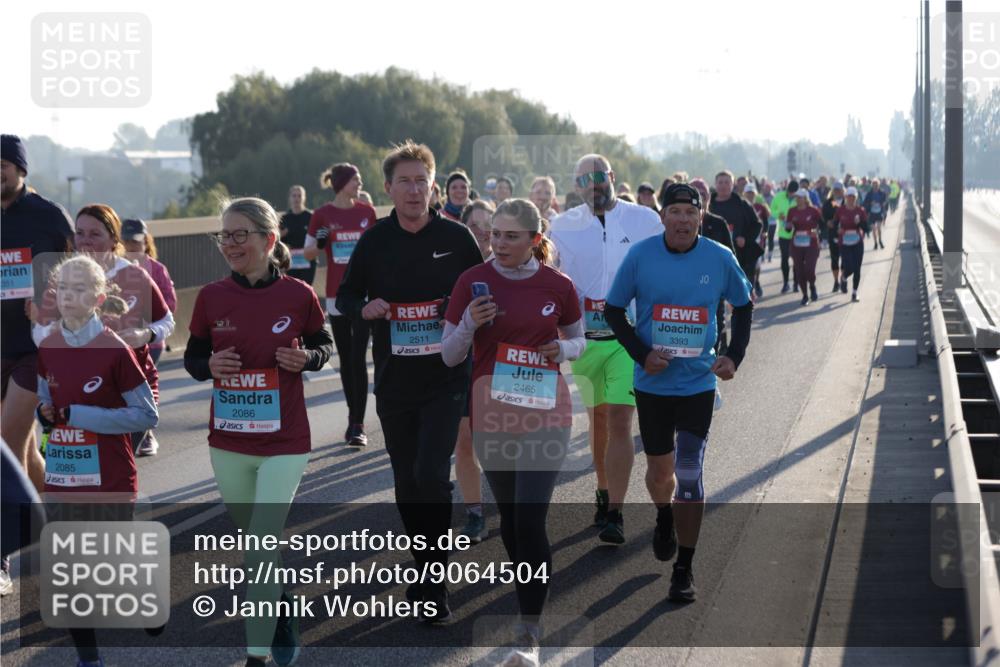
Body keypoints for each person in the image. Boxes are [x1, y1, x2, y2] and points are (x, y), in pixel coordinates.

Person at [336, 141, 483, 623]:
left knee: (430, 477)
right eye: (405, 181)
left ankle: (433, 581)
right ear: (389, 188)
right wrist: (365, 308)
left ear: (434, 185)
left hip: (446, 377)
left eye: (423, 181)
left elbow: (484, 292)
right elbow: (347, 293)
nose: (415, 190)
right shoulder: (376, 240)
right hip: (396, 379)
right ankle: (423, 567)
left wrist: (461, 312)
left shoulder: (459, 238)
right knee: (405, 481)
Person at [185, 197, 333, 667]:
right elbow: (192, 359)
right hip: (228, 443)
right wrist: (208, 365)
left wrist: (306, 359)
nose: (229, 244)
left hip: (285, 442)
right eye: (223, 235)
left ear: (269, 240)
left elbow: (324, 344)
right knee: (256, 544)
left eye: (239, 235)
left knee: (262, 544)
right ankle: (282, 602)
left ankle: (256, 655)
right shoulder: (211, 297)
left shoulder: (297, 295)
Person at [442, 198, 585, 666]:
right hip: (493, 414)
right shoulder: (471, 282)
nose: (498, 243)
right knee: (511, 524)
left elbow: (580, 341)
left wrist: (561, 350)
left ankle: (529, 634)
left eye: (510, 236)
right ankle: (527, 597)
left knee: (529, 520)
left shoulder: (558, 286)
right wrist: (470, 322)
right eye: (495, 234)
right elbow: (448, 354)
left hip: (546, 413)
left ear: (535, 241)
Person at [605, 182, 753, 603]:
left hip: (697, 382)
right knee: (659, 475)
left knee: (689, 471)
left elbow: (743, 306)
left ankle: (684, 568)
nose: (683, 220)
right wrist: (641, 352)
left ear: (700, 218)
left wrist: (734, 356)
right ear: (664, 217)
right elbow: (613, 310)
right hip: (652, 384)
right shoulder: (641, 255)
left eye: (691, 213)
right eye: (676, 212)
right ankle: (664, 515)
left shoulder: (719, 258)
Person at [35, 254, 158, 667]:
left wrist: (80, 414)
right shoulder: (48, 346)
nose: (69, 296)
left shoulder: (114, 348)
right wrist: (46, 413)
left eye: (80, 289)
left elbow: (146, 414)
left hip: (111, 476)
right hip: (64, 475)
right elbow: (46, 399)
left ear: (99, 297)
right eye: (64, 288)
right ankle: (90, 659)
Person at [550, 154, 662, 542]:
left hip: (626, 340)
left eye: (598, 176)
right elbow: (548, 273)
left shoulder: (645, 220)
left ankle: (615, 512)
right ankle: (602, 489)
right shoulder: (561, 226)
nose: (592, 184)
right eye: (583, 179)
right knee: (597, 420)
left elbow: (664, 264)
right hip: (583, 341)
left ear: (611, 176)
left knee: (619, 420)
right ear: (576, 186)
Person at [34, 204, 174, 461]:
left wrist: (145, 335)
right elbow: (39, 333)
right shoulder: (62, 278)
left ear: (113, 239)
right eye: (80, 233)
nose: (85, 240)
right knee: (84, 467)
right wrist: (55, 334)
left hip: (129, 389)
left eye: (95, 234)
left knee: (114, 462)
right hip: (76, 391)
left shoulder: (135, 275)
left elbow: (167, 321)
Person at [1, 134, 73, 499]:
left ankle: (4, 544)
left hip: (35, 345)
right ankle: (59, 513)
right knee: (24, 450)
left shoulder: (49, 215)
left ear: (21, 169)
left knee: (7, 443)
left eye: (3, 165)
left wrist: (53, 303)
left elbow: (83, 273)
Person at [304, 163, 377, 447]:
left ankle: (357, 424)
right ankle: (353, 417)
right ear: (342, 182)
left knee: (359, 358)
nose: (360, 183)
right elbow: (309, 253)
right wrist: (320, 243)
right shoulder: (322, 215)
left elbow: (377, 251)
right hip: (336, 294)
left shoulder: (366, 212)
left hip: (364, 295)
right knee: (347, 360)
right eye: (356, 179)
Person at [453, 199, 496, 542]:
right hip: (464, 363)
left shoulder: (512, 266)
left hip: (505, 367)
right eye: (474, 225)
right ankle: (474, 514)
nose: (481, 232)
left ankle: (518, 509)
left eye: (488, 224)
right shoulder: (452, 267)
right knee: (464, 440)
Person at [121, 218, 177, 455]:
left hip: (150, 342)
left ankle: (147, 433)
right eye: (126, 243)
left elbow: (170, 304)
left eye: (136, 242)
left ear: (145, 242)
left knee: (141, 386)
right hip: (121, 341)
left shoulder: (156, 269)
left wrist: (146, 318)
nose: (132, 248)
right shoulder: (113, 270)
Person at [708, 171, 763, 285]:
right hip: (715, 256)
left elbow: (757, 224)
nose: (723, 185)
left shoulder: (742, 204)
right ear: (715, 184)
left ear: (733, 185)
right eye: (720, 182)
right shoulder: (708, 205)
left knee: (741, 292)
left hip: (740, 254)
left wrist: (745, 238)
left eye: (727, 182)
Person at [786, 190, 823, 305]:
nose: (798, 199)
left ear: (806, 199)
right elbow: (788, 228)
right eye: (797, 197)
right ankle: (805, 295)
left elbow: (821, 225)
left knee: (809, 269)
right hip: (797, 244)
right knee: (799, 271)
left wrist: (816, 232)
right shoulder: (791, 211)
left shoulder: (813, 210)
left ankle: (812, 285)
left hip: (811, 243)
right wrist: (788, 226)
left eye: (801, 197)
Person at [835, 186, 869, 302]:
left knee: (857, 268)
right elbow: (834, 225)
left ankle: (854, 293)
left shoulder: (860, 211)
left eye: (853, 197)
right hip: (844, 242)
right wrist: (837, 230)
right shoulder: (840, 210)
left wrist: (859, 223)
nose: (851, 199)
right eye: (849, 196)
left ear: (856, 198)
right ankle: (843, 277)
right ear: (845, 197)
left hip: (857, 241)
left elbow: (867, 228)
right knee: (849, 267)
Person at [279, 185, 317, 285]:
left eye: (299, 196)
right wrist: (281, 235)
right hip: (291, 262)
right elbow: (277, 241)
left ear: (304, 198)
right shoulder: (284, 218)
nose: (297, 198)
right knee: (292, 290)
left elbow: (317, 239)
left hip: (308, 261)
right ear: (289, 198)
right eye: (294, 196)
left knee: (306, 289)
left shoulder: (311, 217)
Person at [742, 183, 770, 298]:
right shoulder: (741, 206)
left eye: (752, 193)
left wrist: (765, 232)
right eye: (748, 193)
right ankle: (748, 287)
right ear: (744, 194)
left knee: (757, 265)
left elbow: (765, 221)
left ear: (755, 194)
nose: (750, 195)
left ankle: (756, 281)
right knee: (746, 264)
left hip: (759, 239)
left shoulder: (760, 207)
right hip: (745, 240)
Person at [770, 180, 798, 293]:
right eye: (790, 192)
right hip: (783, 233)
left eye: (793, 193)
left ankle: (796, 283)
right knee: (784, 258)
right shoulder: (779, 196)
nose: (791, 194)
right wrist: (778, 215)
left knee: (797, 259)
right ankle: (786, 282)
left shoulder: (800, 198)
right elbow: (772, 210)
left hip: (797, 233)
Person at [821, 182, 847, 293]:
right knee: (834, 259)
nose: (837, 191)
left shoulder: (848, 201)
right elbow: (823, 217)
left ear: (843, 190)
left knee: (845, 259)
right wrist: (827, 222)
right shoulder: (828, 203)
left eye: (839, 189)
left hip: (846, 235)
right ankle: (836, 281)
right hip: (833, 234)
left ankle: (843, 278)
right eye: (835, 189)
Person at [863, 178, 888, 250]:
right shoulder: (869, 194)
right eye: (874, 185)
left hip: (879, 212)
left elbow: (885, 201)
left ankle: (880, 241)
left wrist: (882, 204)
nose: (875, 186)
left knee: (879, 228)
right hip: (872, 213)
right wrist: (870, 203)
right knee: (874, 229)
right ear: (872, 186)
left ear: (879, 185)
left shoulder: (882, 193)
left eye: (876, 185)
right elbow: (865, 203)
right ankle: (875, 243)